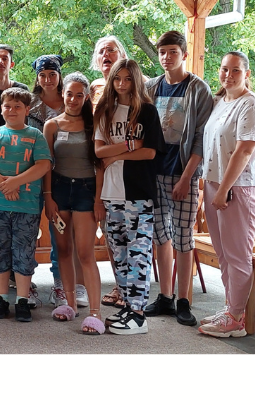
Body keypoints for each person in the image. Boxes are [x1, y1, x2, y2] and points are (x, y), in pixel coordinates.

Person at [142, 30, 213, 327]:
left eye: (172, 52)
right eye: (162, 52)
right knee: (160, 235)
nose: (166, 57)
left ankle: (184, 300)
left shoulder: (198, 89)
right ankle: (166, 297)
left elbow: (200, 139)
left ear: (184, 54)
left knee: (183, 236)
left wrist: (187, 178)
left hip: (183, 171)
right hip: (155, 172)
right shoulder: (152, 87)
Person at [197, 51, 255, 338]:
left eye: (236, 70)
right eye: (224, 69)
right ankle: (231, 307)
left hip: (239, 187)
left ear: (247, 74)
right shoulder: (219, 102)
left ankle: (237, 318)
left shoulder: (251, 105)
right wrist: (211, 186)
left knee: (238, 255)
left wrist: (224, 189)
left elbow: (245, 150)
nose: (229, 75)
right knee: (224, 253)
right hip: (216, 183)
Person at [93, 59, 163, 335]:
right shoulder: (105, 111)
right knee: (119, 255)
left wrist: (117, 155)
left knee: (138, 254)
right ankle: (126, 305)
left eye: (127, 79)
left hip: (138, 194)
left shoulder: (146, 112)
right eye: (117, 79)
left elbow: (150, 152)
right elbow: (99, 153)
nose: (122, 84)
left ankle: (138, 314)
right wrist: (127, 146)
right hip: (111, 194)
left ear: (136, 80)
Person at [0, 87, 52, 322]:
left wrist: (16, 182)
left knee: (23, 252)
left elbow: (43, 165)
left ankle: (21, 299)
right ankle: (0, 298)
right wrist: (3, 185)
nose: (12, 110)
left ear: (27, 110)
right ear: (1, 108)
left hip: (26, 206)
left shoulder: (35, 136)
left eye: (18, 106)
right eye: (7, 106)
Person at [42, 72, 106, 333]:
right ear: (63, 94)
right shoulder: (52, 125)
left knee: (85, 252)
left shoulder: (94, 124)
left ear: (86, 97)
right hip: (58, 190)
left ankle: (95, 312)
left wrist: (99, 199)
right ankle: (69, 304)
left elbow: (99, 164)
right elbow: (46, 165)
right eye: (69, 94)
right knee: (63, 250)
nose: (73, 99)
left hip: (85, 190)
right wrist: (47, 198)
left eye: (79, 95)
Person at [28, 54, 87, 310]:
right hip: (33, 177)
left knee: (61, 233)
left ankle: (62, 284)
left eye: (52, 74)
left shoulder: (72, 102)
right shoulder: (29, 106)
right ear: (37, 78)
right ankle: (26, 284)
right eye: (43, 75)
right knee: (29, 230)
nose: (48, 80)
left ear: (60, 76)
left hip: (66, 179)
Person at [89, 35, 131, 309]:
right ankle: (119, 286)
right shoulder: (94, 89)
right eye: (101, 51)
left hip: (130, 172)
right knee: (110, 233)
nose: (106, 54)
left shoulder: (135, 89)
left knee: (132, 236)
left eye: (111, 50)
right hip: (99, 169)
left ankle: (130, 290)